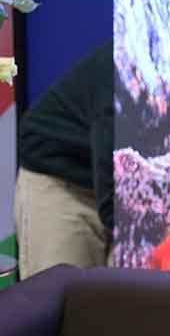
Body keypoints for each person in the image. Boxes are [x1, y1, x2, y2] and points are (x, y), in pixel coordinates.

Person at [14, 40, 114, 279]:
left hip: (113, 188)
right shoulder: (124, 68)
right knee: (63, 305)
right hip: (62, 183)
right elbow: (114, 199)